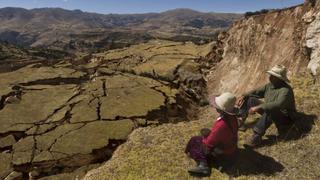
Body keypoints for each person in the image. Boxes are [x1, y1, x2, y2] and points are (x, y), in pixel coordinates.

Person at [237, 65, 296, 147]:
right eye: (271, 75)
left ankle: (256, 136)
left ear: (279, 78)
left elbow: (278, 104)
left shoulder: (285, 90)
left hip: (285, 119)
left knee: (271, 108)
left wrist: (258, 107)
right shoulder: (270, 85)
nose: (270, 77)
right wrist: (244, 95)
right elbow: (257, 91)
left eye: (273, 76)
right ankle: (240, 121)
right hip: (272, 113)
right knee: (250, 99)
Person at [185, 92, 238, 176]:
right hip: (231, 148)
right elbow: (222, 134)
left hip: (223, 152)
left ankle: (203, 165)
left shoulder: (221, 124)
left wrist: (205, 136)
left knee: (195, 141)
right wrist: (211, 133)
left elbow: (209, 143)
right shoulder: (233, 118)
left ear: (221, 109)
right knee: (199, 139)